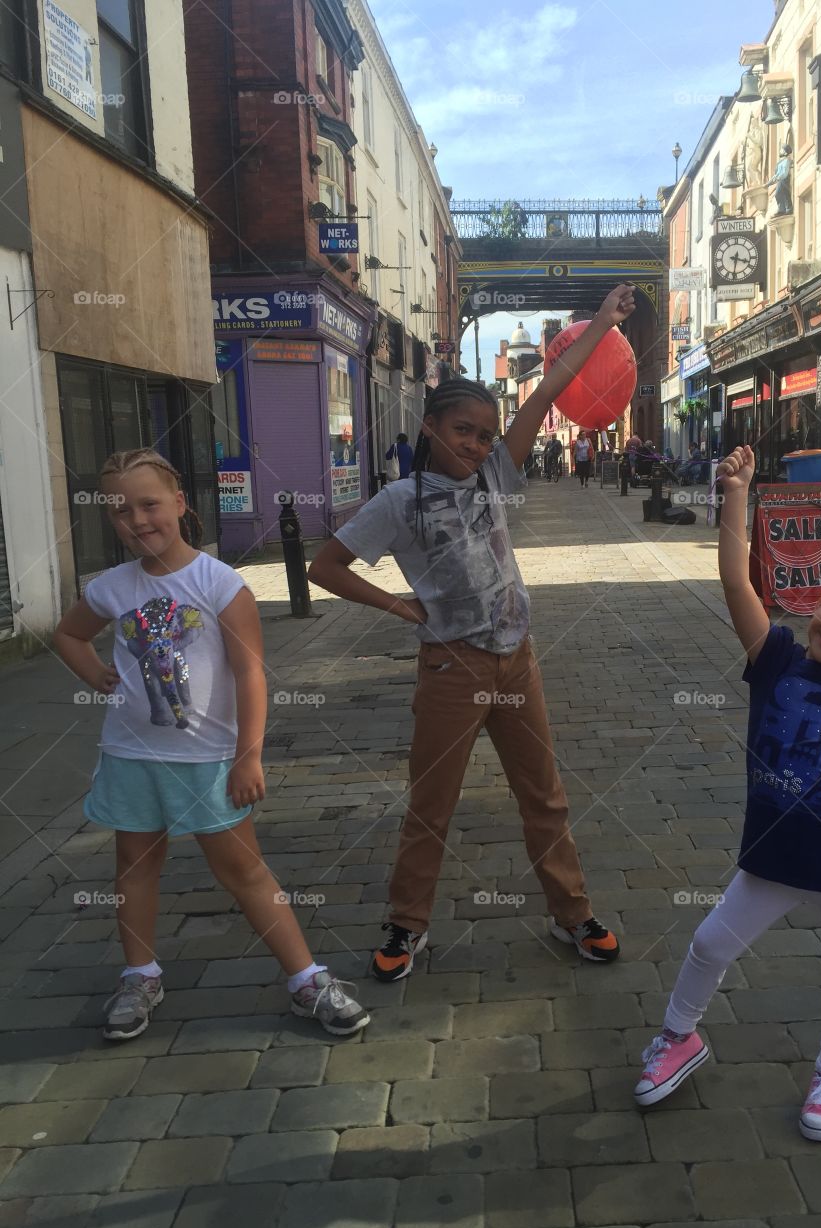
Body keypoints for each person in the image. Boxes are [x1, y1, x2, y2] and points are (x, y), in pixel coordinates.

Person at [307, 285, 637, 982]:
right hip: (451, 669)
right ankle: (407, 923)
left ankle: (572, 911)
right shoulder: (398, 501)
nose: (477, 444)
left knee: (543, 793)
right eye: (464, 431)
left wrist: (603, 323)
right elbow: (324, 567)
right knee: (433, 800)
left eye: (486, 435)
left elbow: (548, 390)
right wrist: (399, 608)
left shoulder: (494, 476)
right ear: (431, 427)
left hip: (517, 660)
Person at [633, 443, 821, 1141]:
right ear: (820, 595)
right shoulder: (776, 661)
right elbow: (737, 585)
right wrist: (735, 494)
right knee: (710, 943)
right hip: (772, 855)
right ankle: (679, 1038)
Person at [53, 449, 368, 1040]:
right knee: (134, 867)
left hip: (207, 760)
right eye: (121, 511)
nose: (138, 520)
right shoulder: (111, 587)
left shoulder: (218, 584)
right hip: (132, 757)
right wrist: (94, 672)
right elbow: (69, 633)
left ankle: (306, 978)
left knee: (243, 870)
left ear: (179, 504)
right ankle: (140, 974)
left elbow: (250, 674)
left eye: (149, 505)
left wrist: (248, 754)